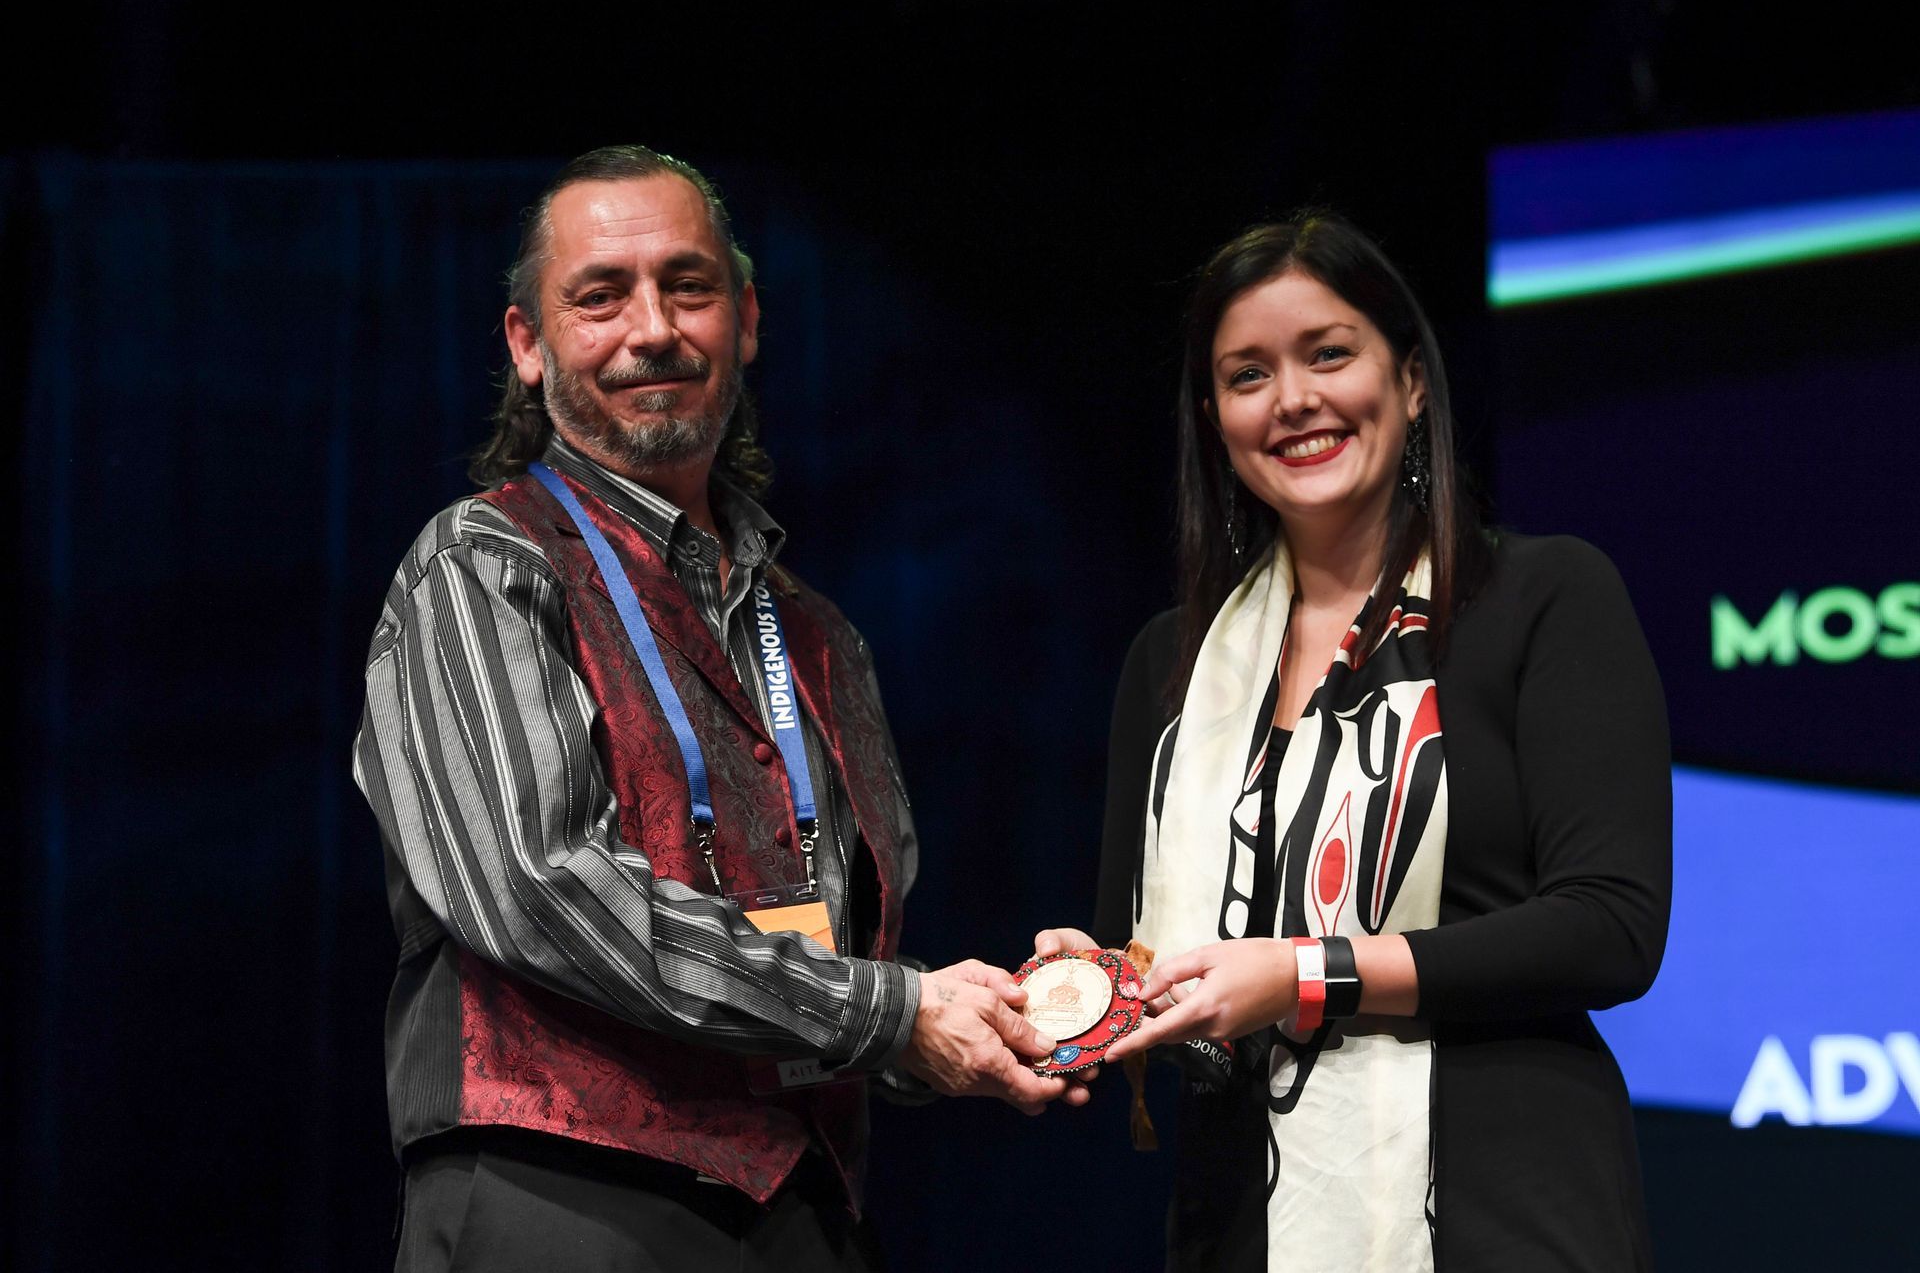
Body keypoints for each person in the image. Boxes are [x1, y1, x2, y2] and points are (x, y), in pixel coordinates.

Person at [354, 144, 1084, 1273]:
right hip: (562, 1207)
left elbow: (846, 959)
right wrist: (892, 1014)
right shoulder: (482, 566)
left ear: (744, 319)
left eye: (687, 287)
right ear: (528, 346)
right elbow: (545, 892)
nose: (652, 328)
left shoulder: (818, 635)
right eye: (600, 297)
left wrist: (980, 1024)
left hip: (802, 1215)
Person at [1035, 214, 1670, 1271]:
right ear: (1215, 417)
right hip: (1240, 1221)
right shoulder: (1170, 661)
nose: (1293, 400)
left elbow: (1610, 927)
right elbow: (1153, 957)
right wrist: (1092, 982)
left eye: (1329, 354)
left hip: (1501, 1215)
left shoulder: (1544, 597)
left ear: (1411, 382)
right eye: (1249, 374)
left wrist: (1307, 972)